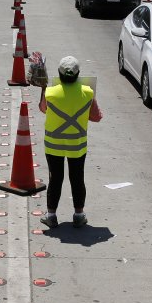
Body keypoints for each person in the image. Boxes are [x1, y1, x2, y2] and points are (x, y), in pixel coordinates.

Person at [38, 56, 102, 228]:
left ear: (59, 74)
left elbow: (43, 109)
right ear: (78, 74)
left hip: (53, 145)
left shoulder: (50, 93)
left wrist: (43, 87)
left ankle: (51, 216)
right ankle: (79, 215)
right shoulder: (88, 92)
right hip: (77, 145)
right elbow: (97, 117)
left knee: (55, 179)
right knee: (77, 178)